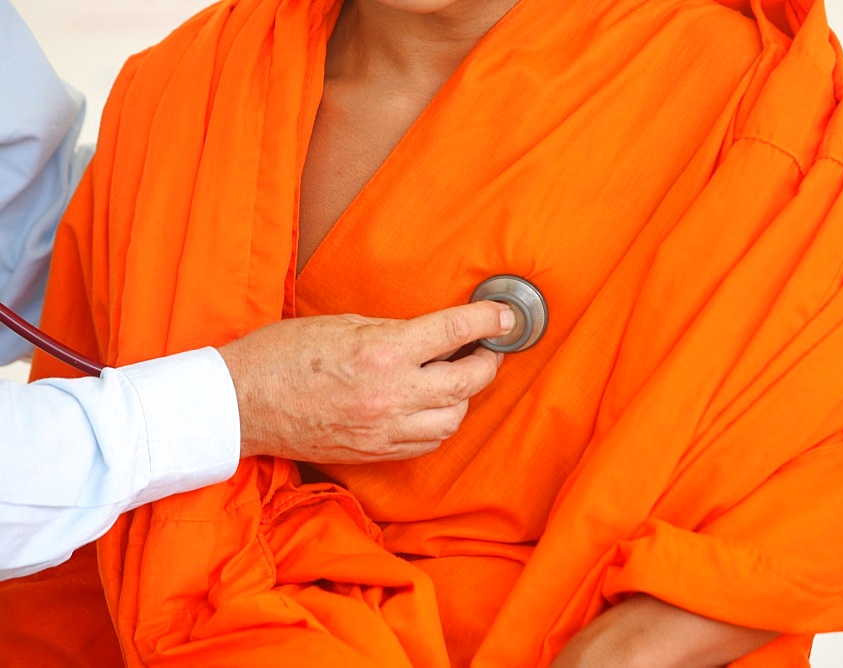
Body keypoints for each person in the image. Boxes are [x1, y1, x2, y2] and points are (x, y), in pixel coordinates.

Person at [0, 0, 843, 665]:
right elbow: (93, 573)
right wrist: (233, 403)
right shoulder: (183, 98)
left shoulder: (754, 93)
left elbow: (808, 479)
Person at [0, 0, 513, 583]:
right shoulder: (193, 75)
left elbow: (28, 232)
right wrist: (237, 403)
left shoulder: (199, 99)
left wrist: (188, 193)